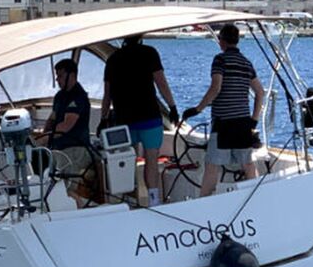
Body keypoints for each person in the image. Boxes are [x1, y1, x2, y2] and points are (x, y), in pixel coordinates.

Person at [181, 23, 265, 197]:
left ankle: (203, 202)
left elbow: (216, 87)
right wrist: (254, 120)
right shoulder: (246, 63)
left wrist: (198, 109)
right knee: (247, 164)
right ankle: (256, 198)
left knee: (212, 166)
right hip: (243, 122)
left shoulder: (220, 60)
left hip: (224, 123)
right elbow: (260, 92)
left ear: (222, 41)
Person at [101, 35, 178, 206]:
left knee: (127, 160)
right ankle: (153, 200)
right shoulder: (149, 53)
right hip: (149, 115)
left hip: (123, 119)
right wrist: (172, 106)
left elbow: (107, 94)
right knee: (151, 158)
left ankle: (129, 200)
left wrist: (103, 118)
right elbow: (161, 83)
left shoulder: (113, 59)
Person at [43, 58, 92, 200]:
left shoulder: (78, 97)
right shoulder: (60, 96)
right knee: (50, 181)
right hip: (58, 148)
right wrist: (44, 135)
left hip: (76, 148)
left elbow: (66, 125)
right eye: (57, 76)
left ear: (72, 75)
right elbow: (52, 119)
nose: (57, 80)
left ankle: (77, 207)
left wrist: (44, 139)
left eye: (61, 76)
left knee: (63, 188)